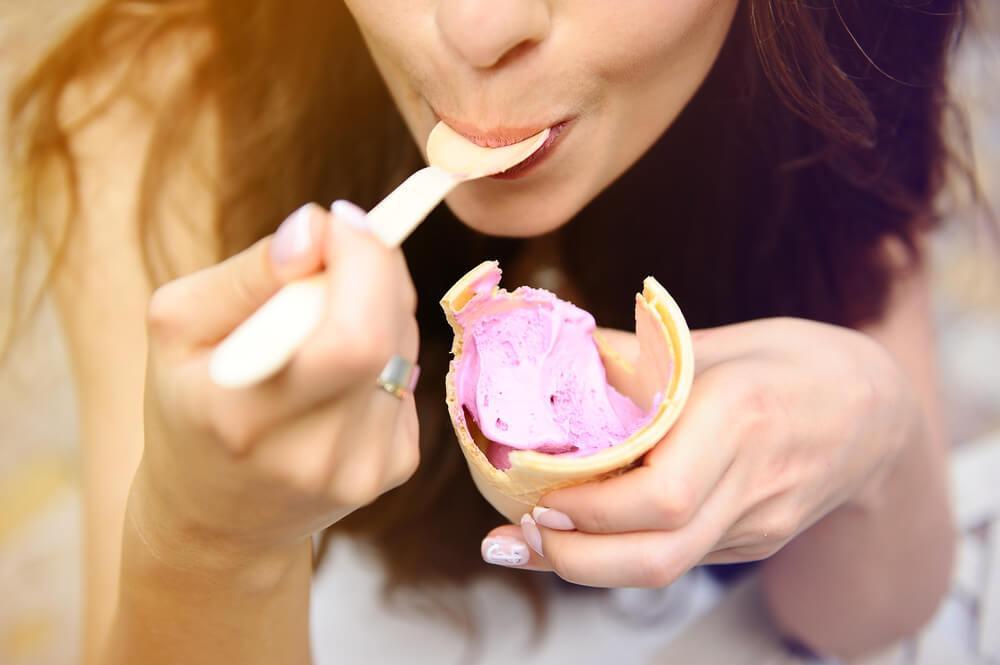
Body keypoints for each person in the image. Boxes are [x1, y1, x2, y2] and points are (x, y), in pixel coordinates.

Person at [5, 1, 968, 663]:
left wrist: (874, 434)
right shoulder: (165, 111)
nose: (474, 27)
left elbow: (854, 615)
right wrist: (208, 539)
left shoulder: (829, 59)